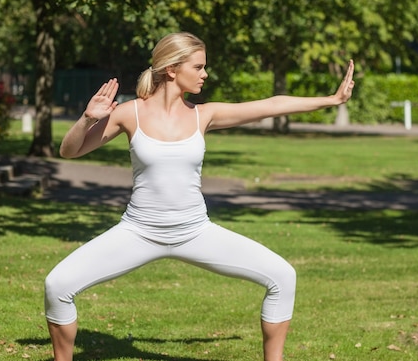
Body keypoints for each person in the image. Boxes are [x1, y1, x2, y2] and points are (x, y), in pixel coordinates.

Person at [44, 31, 355, 361]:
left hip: (195, 231)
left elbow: (269, 105)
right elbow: (70, 151)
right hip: (138, 231)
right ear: (172, 69)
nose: (205, 73)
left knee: (282, 276)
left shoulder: (202, 115)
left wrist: (330, 100)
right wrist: (88, 118)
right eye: (199, 66)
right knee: (57, 285)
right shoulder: (129, 113)